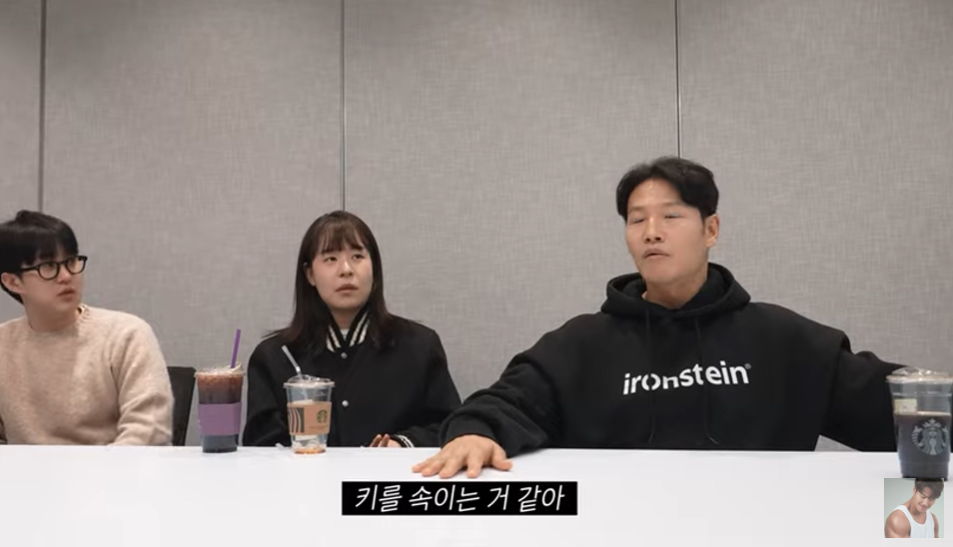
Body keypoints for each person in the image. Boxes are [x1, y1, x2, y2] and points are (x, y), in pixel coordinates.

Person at [413, 156, 904, 479]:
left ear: (711, 230)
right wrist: (475, 432)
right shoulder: (580, 345)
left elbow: (894, 407)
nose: (651, 232)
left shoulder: (782, 340)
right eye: (636, 219)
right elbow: (505, 404)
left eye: (671, 216)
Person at [242, 211, 461, 448]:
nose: (346, 269)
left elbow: (450, 427)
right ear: (310, 274)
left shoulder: (419, 346)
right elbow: (260, 445)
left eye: (357, 256)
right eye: (331, 259)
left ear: (374, 268)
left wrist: (401, 444)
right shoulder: (275, 356)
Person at [0, 210, 173, 445]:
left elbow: (149, 430)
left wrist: (98, 469)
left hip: (116, 468)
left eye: (71, 261)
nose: (66, 276)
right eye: (48, 266)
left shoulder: (126, 335)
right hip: (25, 470)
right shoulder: (4, 345)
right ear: (12, 282)